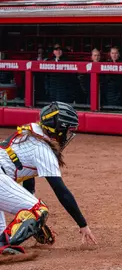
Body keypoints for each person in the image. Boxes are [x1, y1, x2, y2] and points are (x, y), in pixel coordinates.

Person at [0, 102, 97, 246]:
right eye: (68, 129)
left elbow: (27, 178)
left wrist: (33, 225)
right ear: (58, 129)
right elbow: (61, 191)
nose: (68, 134)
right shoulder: (42, 150)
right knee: (38, 210)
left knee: (5, 232)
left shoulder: (33, 132)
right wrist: (83, 224)